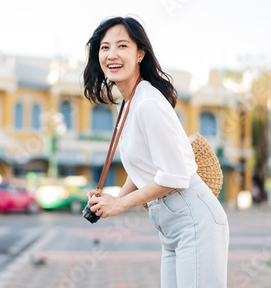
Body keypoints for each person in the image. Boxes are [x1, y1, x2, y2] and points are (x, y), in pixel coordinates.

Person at [84, 16, 229, 287]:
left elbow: (174, 175)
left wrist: (120, 204)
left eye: (122, 46)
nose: (112, 54)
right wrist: (114, 197)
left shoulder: (148, 102)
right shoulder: (127, 104)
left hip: (195, 222)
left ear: (140, 53)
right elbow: (142, 168)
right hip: (171, 227)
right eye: (105, 47)